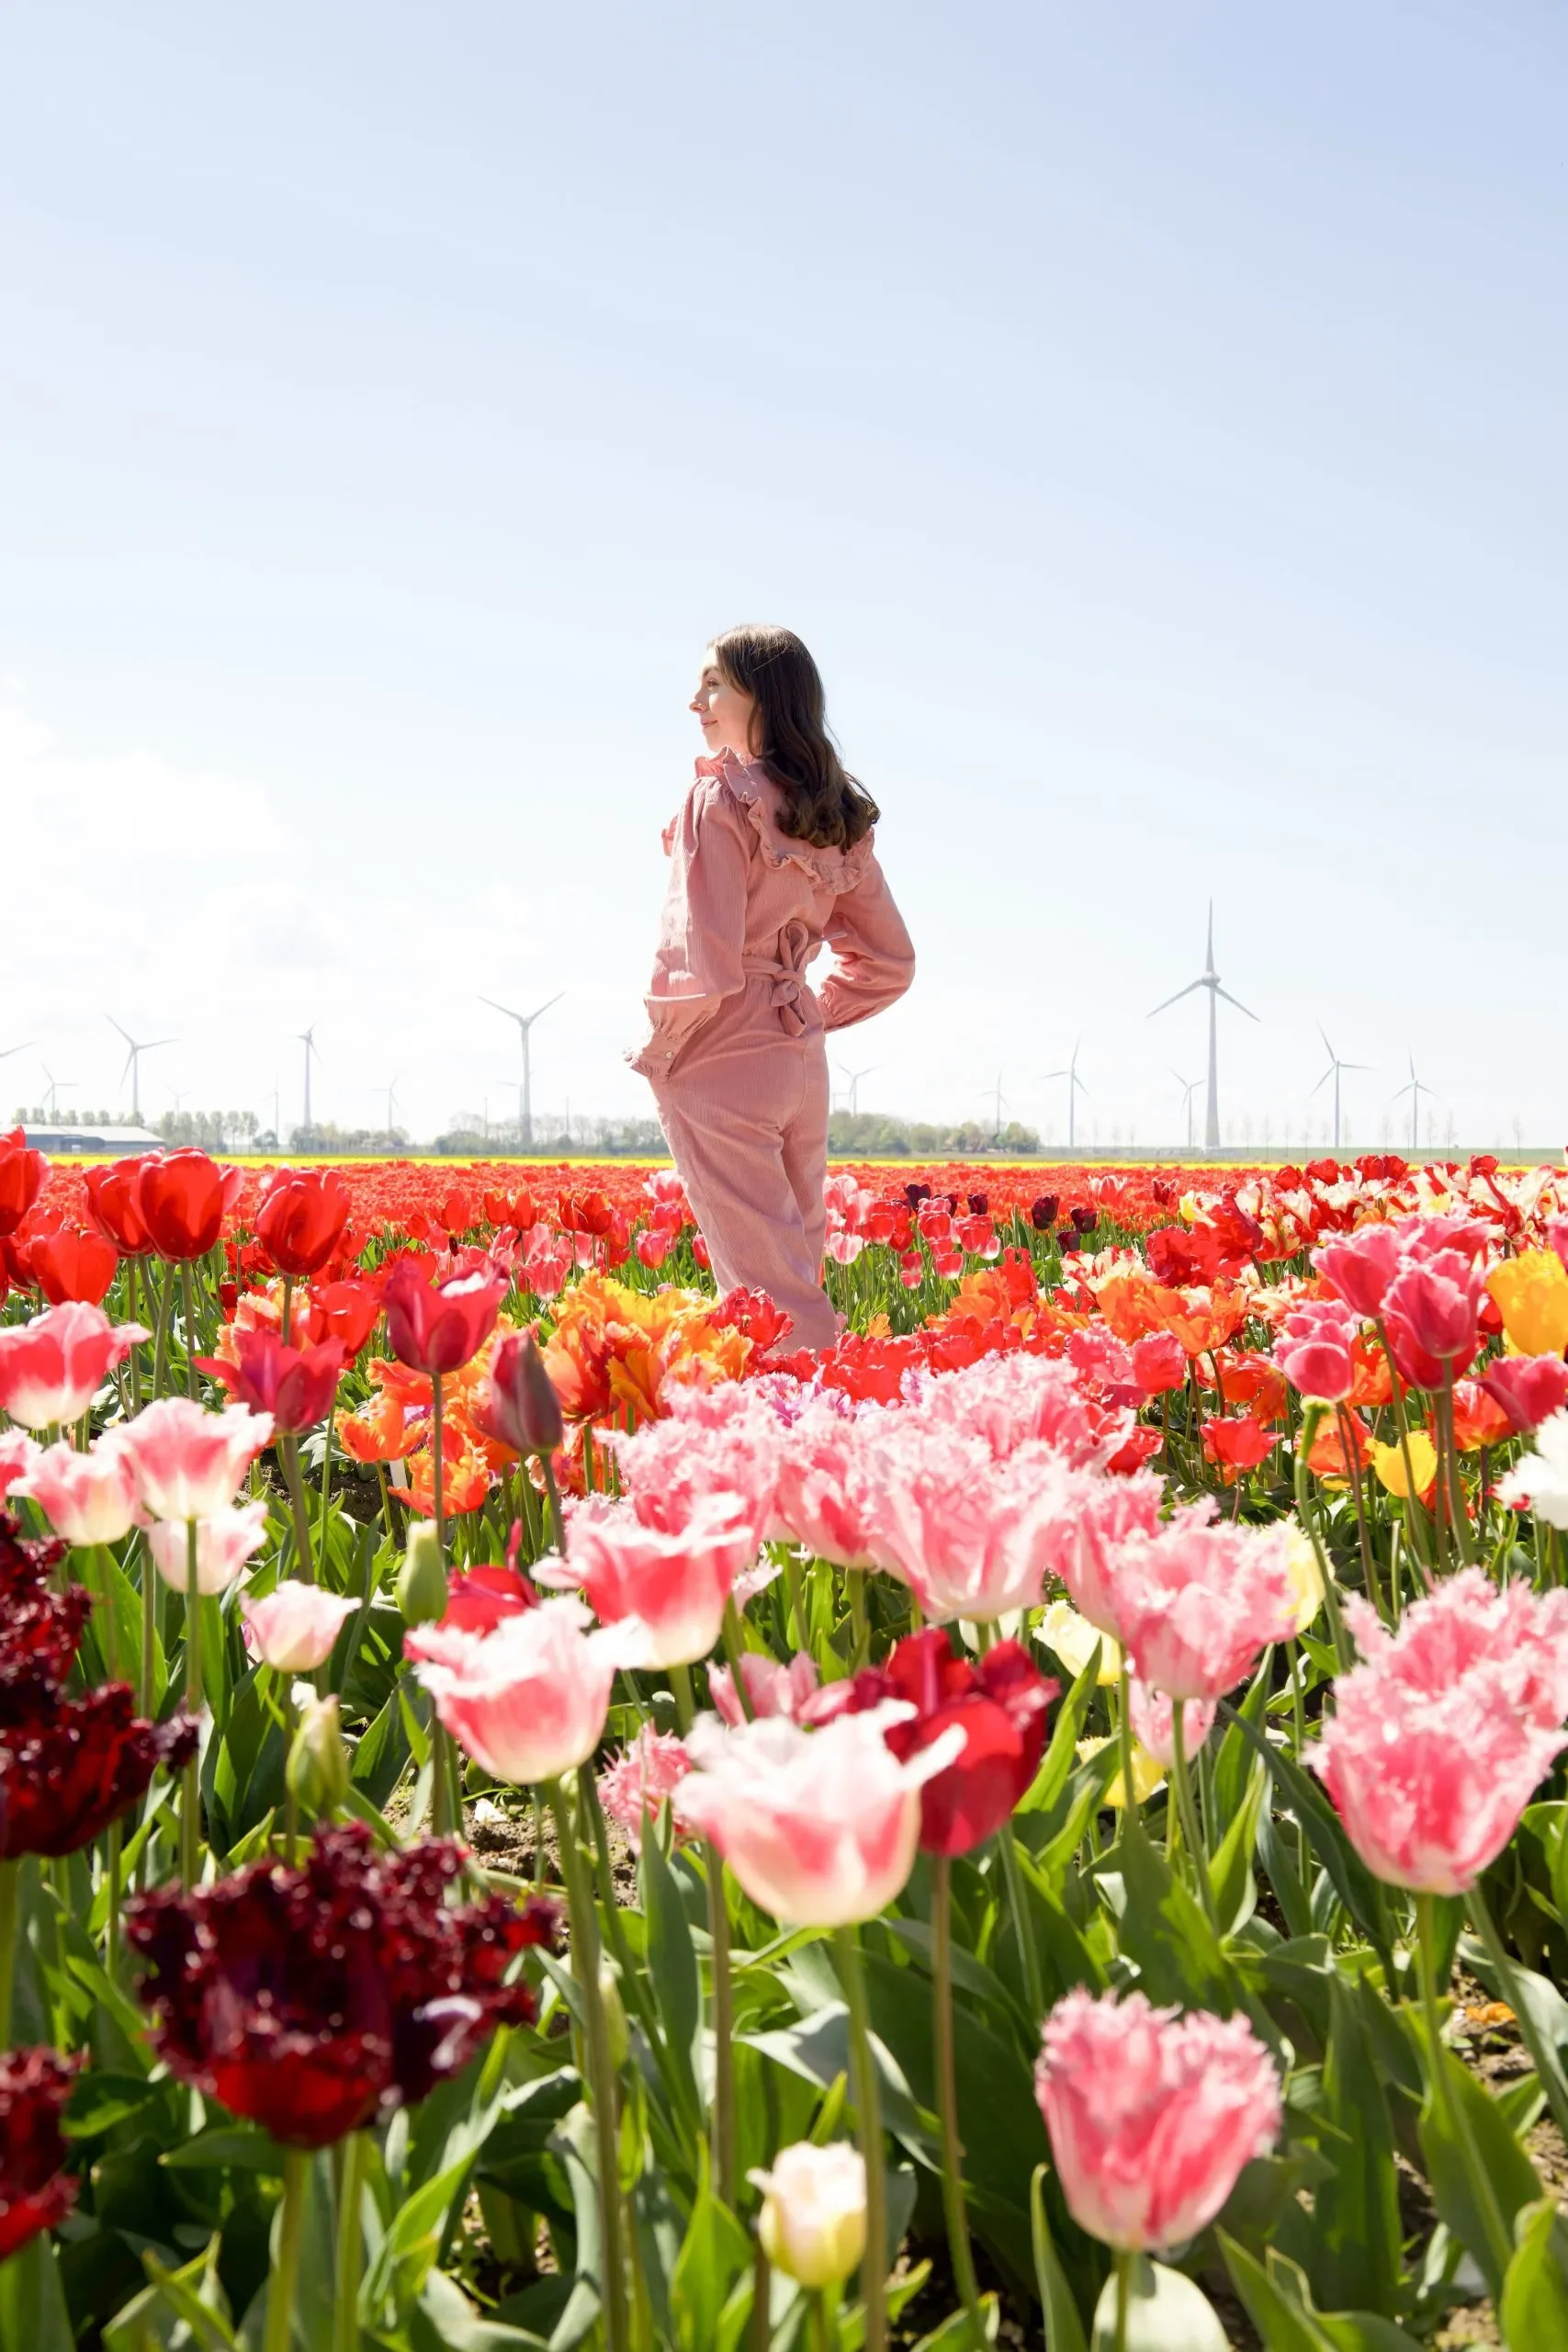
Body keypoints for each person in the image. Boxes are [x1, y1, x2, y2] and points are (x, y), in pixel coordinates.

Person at [627, 625, 915, 1351]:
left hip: (722, 1050)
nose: (695, 700)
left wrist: (662, 1051)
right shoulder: (835, 817)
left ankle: (810, 1426)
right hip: (799, 1055)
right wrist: (807, 1007)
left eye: (714, 683)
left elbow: (701, 957)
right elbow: (889, 961)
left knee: (765, 1292)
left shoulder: (717, 796)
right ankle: (823, 1427)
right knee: (798, 1262)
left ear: (765, 695)